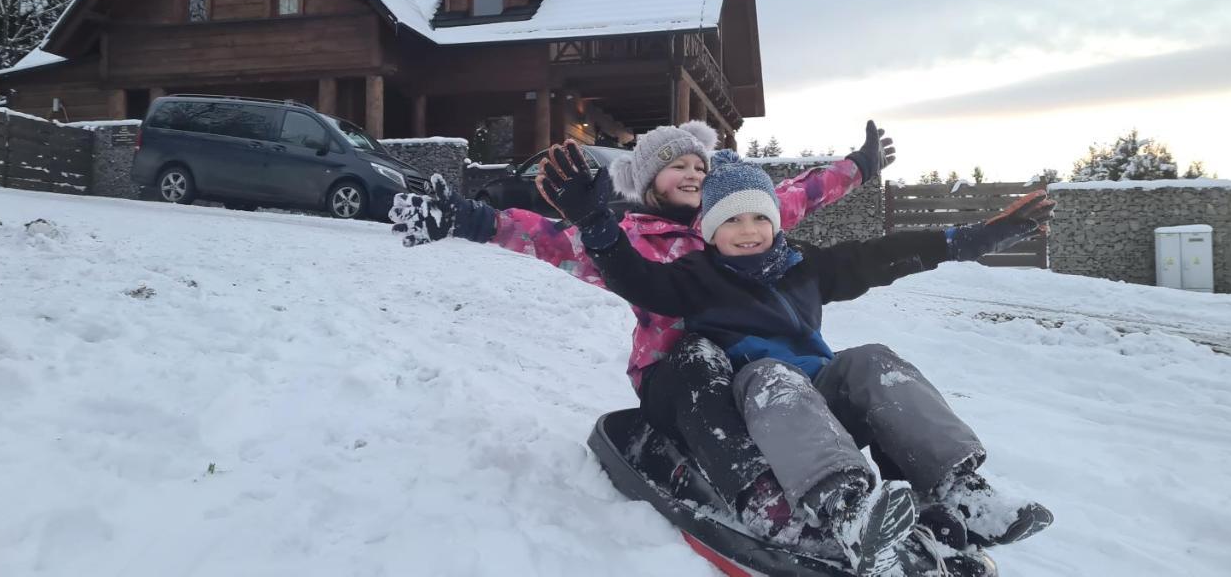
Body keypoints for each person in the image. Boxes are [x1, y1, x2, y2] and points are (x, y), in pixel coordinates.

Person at [534, 145, 1055, 577]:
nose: (748, 230)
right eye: (731, 220)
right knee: (774, 376)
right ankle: (845, 508)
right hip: (752, 402)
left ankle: (960, 489)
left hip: (818, 398)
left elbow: (878, 255)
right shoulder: (696, 276)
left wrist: (968, 240)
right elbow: (637, 279)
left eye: (760, 216)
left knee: (873, 360)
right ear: (709, 230)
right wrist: (597, 225)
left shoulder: (804, 266)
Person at [389, 121, 894, 543]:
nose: (694, 173)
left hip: (759, 375)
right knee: (698, 353)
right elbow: (547, 240)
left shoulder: (737, 216)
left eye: (700, 165)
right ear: (650, 179)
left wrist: (861, 165)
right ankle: (761, 497)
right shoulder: (627, 237)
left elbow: (804, 191)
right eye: (679, 165)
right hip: (680, 382)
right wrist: (467, 217)